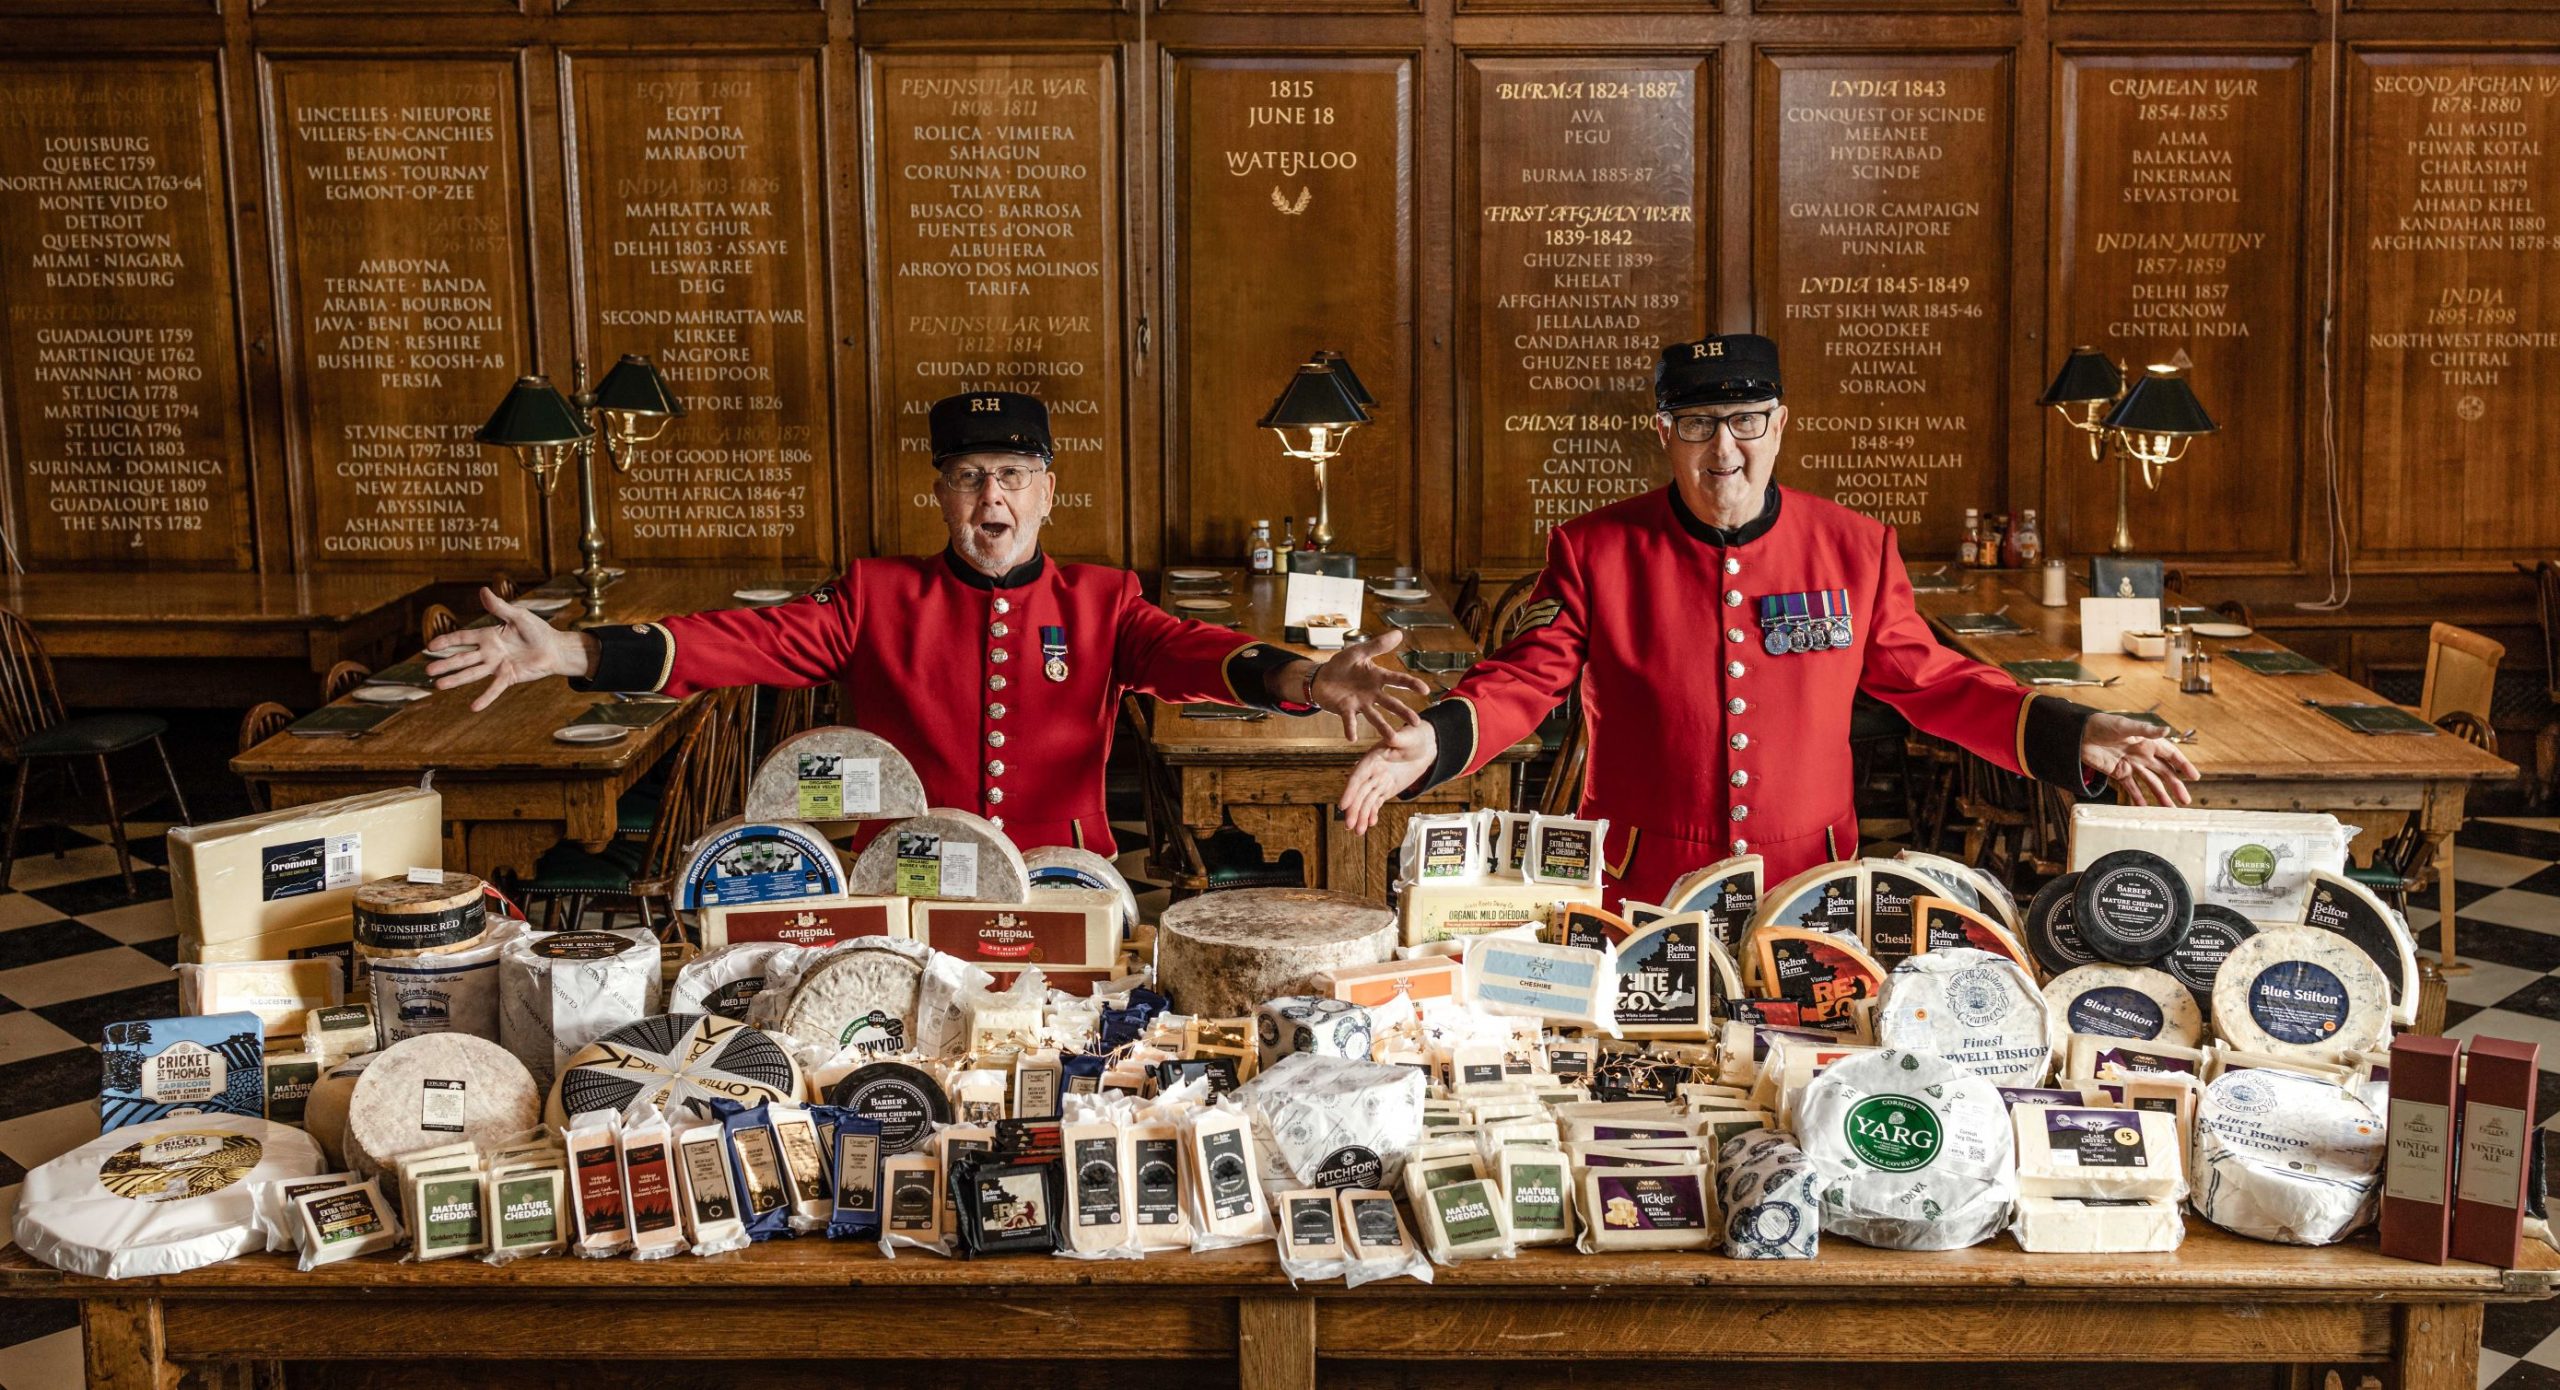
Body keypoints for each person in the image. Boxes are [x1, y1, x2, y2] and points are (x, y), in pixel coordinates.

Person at [1339, 333, 2197, 905]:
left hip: (1806, 877)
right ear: (1665, 433)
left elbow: (1931, 681)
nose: (1724, 451)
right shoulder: (1595, 549)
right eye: (1698, 424)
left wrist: (2067, 732)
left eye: (1745, 421)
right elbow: (1527, 678)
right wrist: (1440, 738)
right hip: (1642, 878)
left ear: (1779, 424)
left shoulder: (1855, 547)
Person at [429, 389, 1427, 855]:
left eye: (1011, 477)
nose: (990, 495)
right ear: (942, 495)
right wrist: (571, 649)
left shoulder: (1101, 600)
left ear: (1046, 494)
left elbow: (1195, 655)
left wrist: (1305, 678)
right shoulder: (877, 596)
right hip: (901, 883)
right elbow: (737, 641)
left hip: (1058, 881)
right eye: (967, 476)